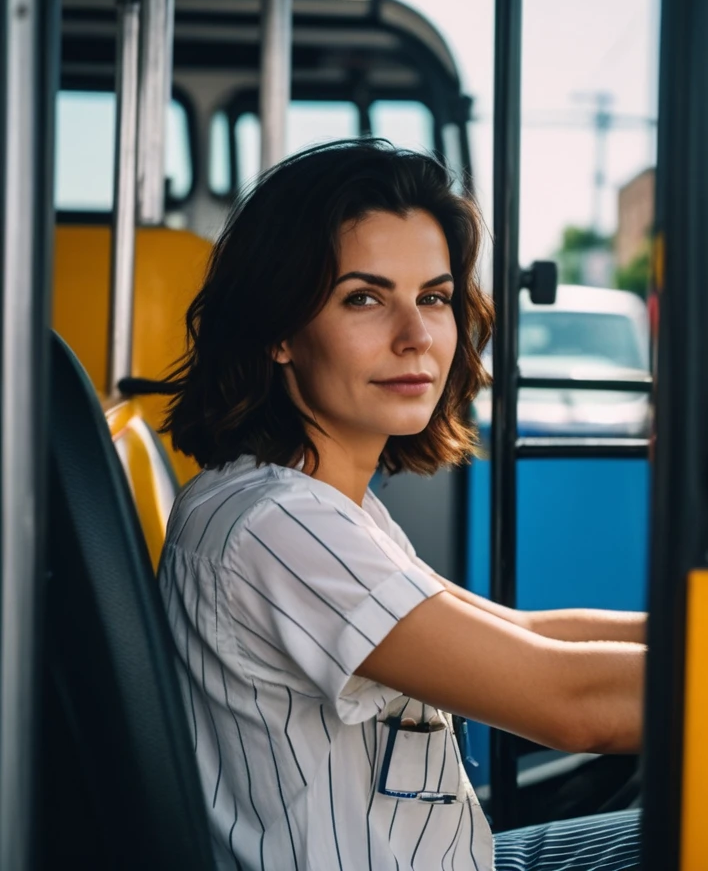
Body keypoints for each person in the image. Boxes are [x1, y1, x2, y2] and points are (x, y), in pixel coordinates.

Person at [158, 139, 644, 871]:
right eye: (364, 298)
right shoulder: (278, 526)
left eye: (435, 298)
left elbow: (529, 631)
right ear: (279, 331)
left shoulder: (320, 503)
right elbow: (573, 704)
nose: (416, 337)